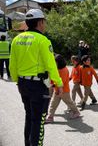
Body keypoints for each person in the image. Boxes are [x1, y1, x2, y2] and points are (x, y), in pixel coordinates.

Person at [9, 9, 63, 146]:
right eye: (44, 22)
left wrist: (17, 80)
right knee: (38, 120)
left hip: (22, 83)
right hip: (38, 86)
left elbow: (12, 64)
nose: (44, 25)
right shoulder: (43, 40)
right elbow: (51, 65)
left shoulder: (16, 39)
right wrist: (58, 83)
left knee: (29, 116)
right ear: (40, 22)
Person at [46, 54, 80, 123]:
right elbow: (54, 78)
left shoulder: (64, 70)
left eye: (55, 62)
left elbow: (63, 82)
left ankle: (76, 112)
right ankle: (50, 117)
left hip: (64, 91)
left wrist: (54, 85)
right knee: (53, 103)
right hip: (57, 90)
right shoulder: (57, 69)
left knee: (69, 103)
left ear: (59, 62)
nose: (54, 63)